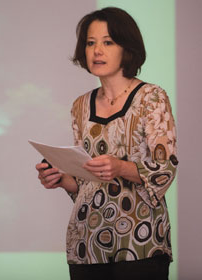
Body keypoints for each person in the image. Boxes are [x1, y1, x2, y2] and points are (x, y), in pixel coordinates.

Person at [35, 7, 178, 280]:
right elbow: (86, 184)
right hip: (86, 243)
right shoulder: (80, 106)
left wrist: (120, 167)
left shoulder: (152, 97)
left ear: (127, 48)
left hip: (140, 243)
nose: (97, 50)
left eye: (108, 42)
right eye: (91, 43)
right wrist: (61, 177)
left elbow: (164, 170)